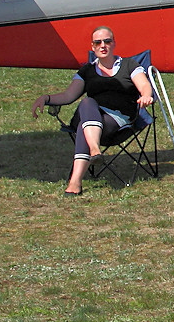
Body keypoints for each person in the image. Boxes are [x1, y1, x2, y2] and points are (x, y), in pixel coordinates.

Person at [31, 26, 154, 195]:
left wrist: (146, 96)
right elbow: (68, 96)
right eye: (98, 42)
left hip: (117, 122)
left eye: (107, 41)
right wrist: (46, 98)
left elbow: (144, 85)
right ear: (92, 46)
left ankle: (75, 182)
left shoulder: (129, 65)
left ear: (114, 43)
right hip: (93, 114)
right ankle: (94, 149)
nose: (103, 45)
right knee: (87, 102)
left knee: (84, 125)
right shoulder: (87, 70)